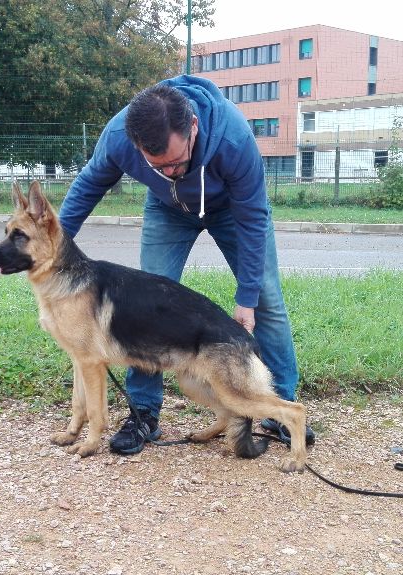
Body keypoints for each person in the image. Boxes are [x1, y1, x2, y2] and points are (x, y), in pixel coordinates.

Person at [57, 75, 315, 454]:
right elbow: (87, 187)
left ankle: (278, 408)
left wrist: (246, 298)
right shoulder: (118, 136)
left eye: (176, 163)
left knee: (267, 301)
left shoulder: (232, 136)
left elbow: (254, 218)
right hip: (167, 210)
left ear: (193, 127)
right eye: (156, 166)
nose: (170, 172)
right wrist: (56, 246)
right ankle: (143, 413)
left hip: (231, 210)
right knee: (143, 307)